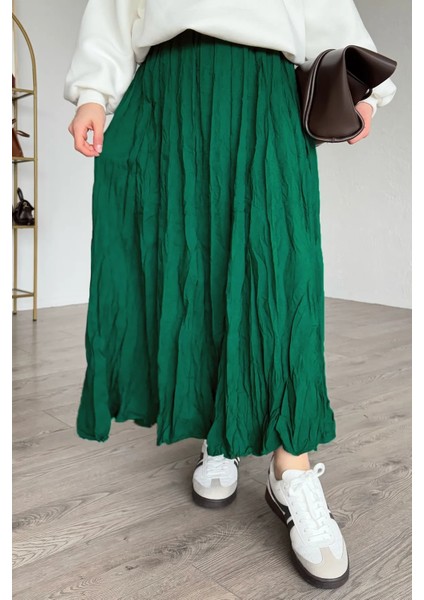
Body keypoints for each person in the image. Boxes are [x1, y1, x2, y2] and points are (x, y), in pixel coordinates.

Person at [64, 0, 396, 589]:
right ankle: (223, 428)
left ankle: (291, 468)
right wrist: (94, 90)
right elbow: (118, 9)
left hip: (265, 92)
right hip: (170, 93)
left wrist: (361, 89)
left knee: (285, 275)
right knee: (192, 273)